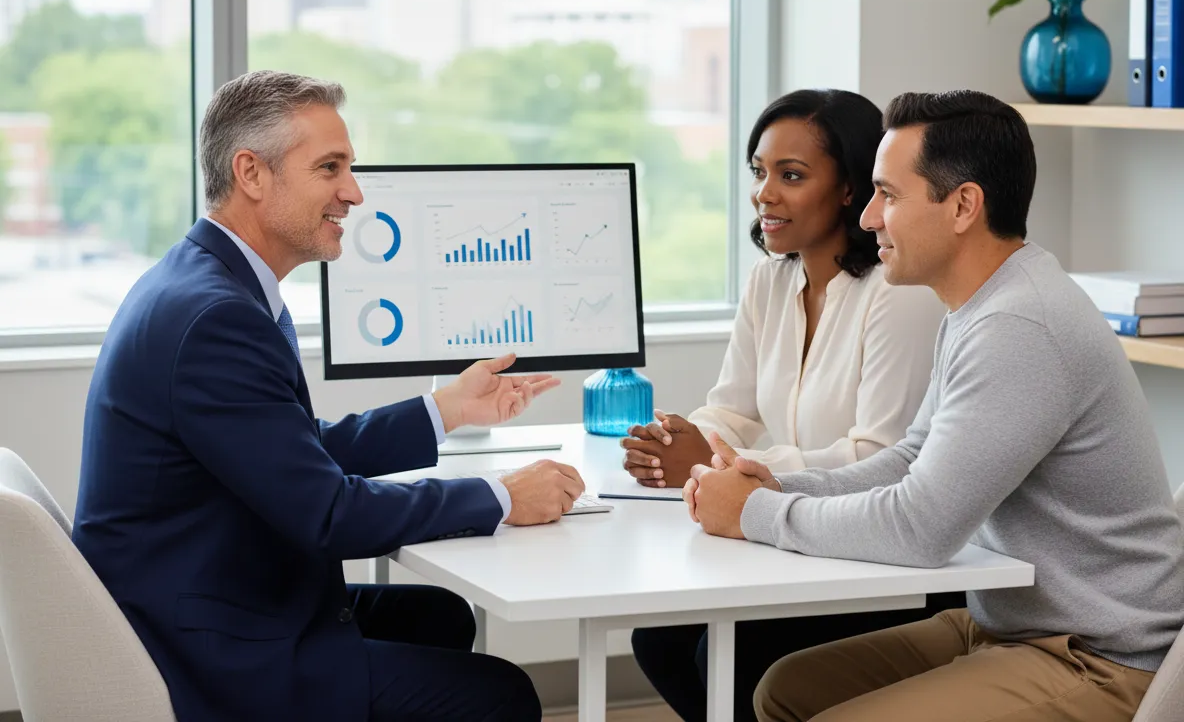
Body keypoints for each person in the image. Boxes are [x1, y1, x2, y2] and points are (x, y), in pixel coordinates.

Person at [73, 70, 585, 722]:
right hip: (203, 648)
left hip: (214, 597)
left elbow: (293, 449)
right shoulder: (214, 320)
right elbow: (329, 517)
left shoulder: (213, 284)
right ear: (251, 173)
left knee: (440, 616)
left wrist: (448, 408)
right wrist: (503, 497)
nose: (354, 192)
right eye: (329, 168)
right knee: (501, 696)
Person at [684, 90, 1184, 722]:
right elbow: (911, 458)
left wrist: (758, 512)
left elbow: (921, 528)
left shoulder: (1020, 325)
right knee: (783, 689)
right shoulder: (978, 307)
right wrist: (784, 483)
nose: (867, 218)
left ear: (963, 206)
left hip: (1096, 656)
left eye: (888, 196)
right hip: (1008, 626)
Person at [622, 89, 952, 722]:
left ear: (853, 189)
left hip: (875, 556)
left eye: (791, 176)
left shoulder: (897, 292)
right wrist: (678, 438)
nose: (764, 193)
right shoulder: (771, 279)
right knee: (658, 639)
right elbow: (733, 408)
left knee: (729, 658)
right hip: (795, 541)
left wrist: (722, 458)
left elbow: (879, 455)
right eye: (760, 172)